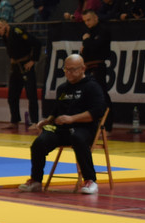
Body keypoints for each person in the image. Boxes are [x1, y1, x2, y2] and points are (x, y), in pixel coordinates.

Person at [17, 55, 107, 195]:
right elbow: (57, 110)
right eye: (66, 69)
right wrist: (47, 121)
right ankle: (36, 180)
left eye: (73, 70)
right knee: (39, 143)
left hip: (84, 128)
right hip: (62, 129)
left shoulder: (92, 87)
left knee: (77, 138)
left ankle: (90, 180)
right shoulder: (63, 88)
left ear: (83, 69)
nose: (69, 73)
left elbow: (97, 112)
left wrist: (72, 118)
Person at [0, 17, 42, 129]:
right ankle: (14, 121)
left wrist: (33, 60)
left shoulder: (17, 31)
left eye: (0, 27)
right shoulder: (4, 36)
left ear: (6, 25)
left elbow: (37, 43)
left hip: (26, 66)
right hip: (15, 67)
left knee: (31, 94)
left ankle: (35, 122)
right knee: (12, 96)